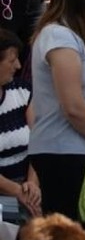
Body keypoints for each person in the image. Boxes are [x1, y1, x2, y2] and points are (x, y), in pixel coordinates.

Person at [28, 0, 85, 225]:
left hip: (77, 149)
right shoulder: (58, 36)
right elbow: (72, 106)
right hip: (63, 151)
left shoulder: (79, 36)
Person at [0, 29, 40, 220]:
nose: (18, 65)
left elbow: (38, 139)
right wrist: (16, 191)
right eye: (11, 60)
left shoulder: (23, 91)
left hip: (27, 187)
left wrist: (32, 184)